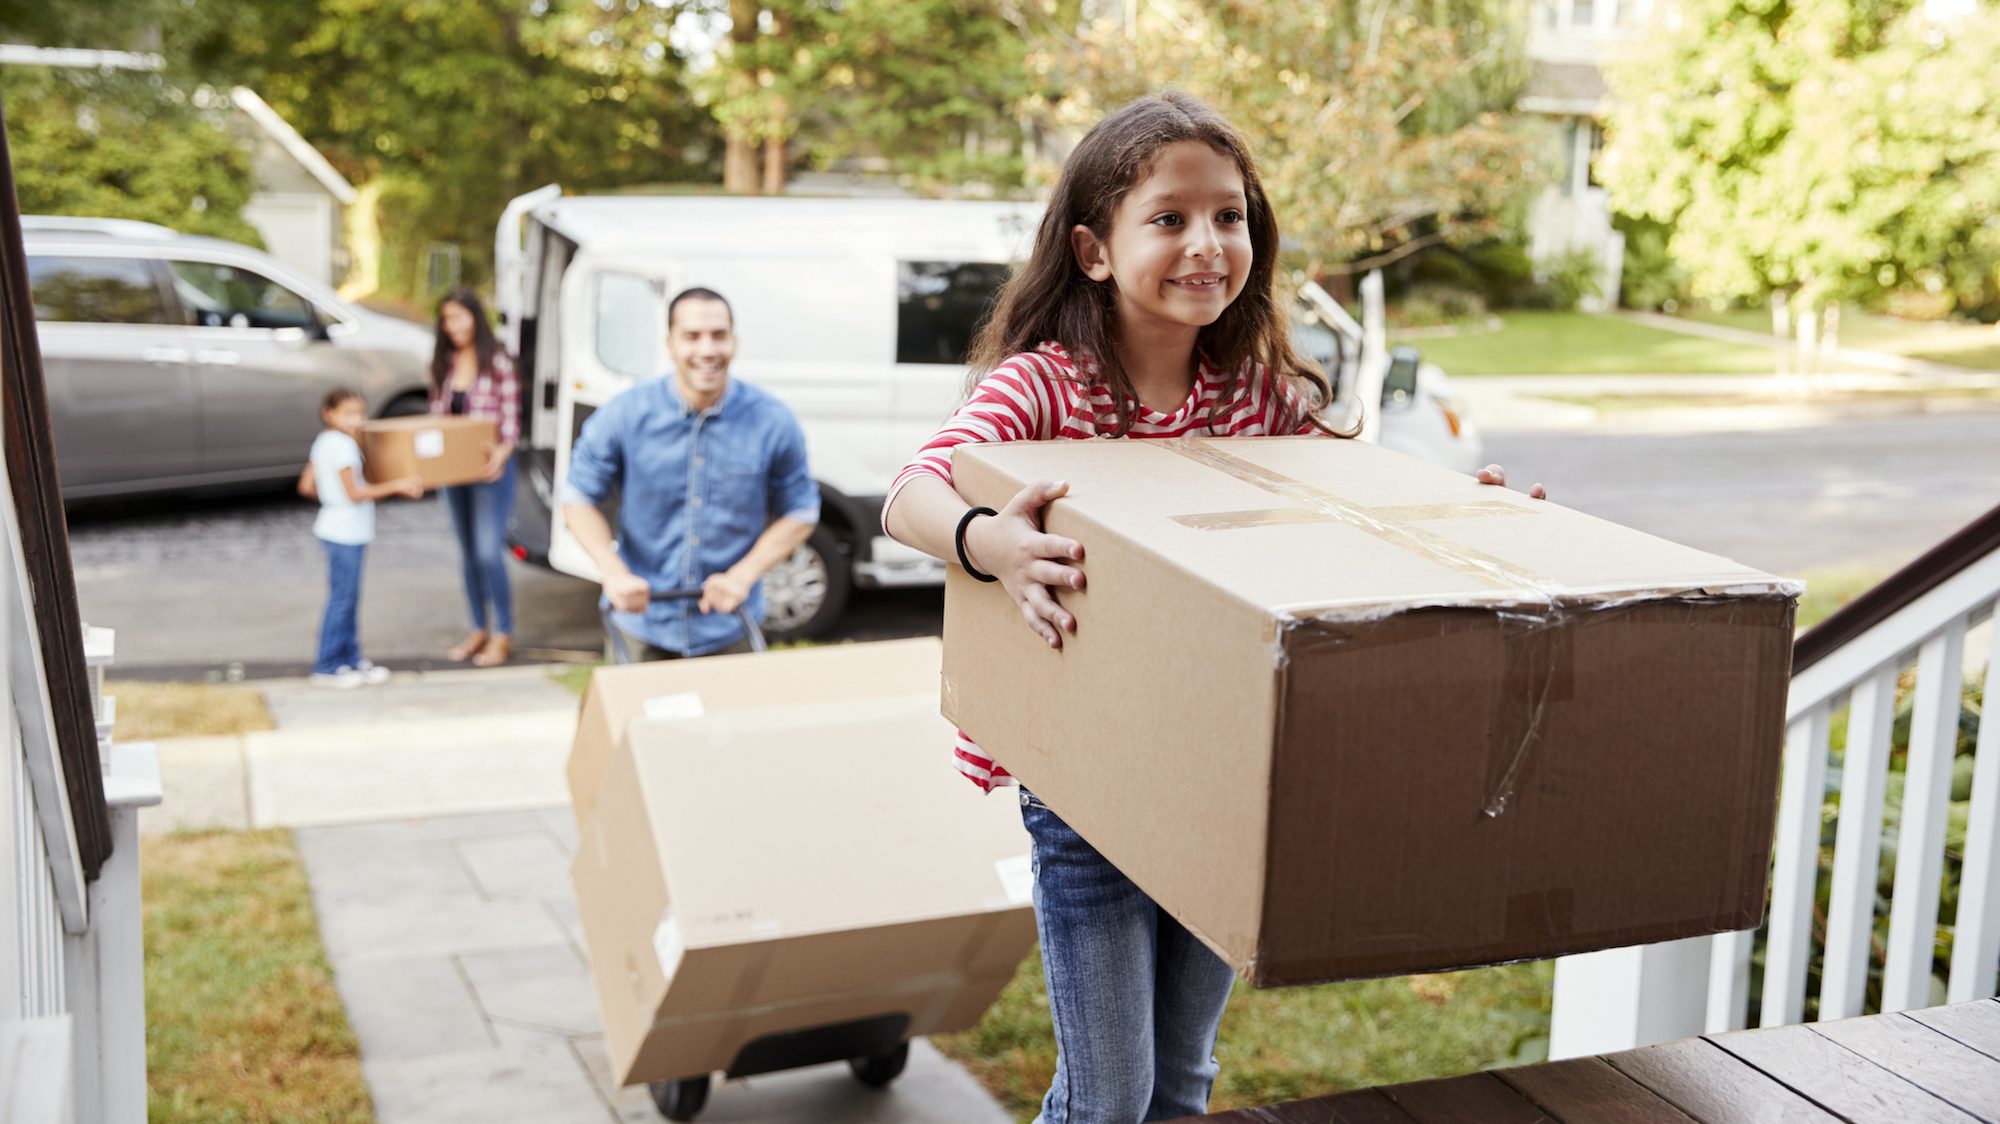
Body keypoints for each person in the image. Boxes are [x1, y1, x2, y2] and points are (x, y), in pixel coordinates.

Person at [881, 93, 1545, 1124]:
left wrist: (1466, 514)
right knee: (1109, 1095)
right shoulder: (1046, 387)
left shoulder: (1252, 395)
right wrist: (989, 542)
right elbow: (908, 492)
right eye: (1169, 218)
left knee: (1183, 1087)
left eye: (1228, 216)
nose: (1206, 242)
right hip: (1084, 782)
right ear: (1094, 251)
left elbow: (1355, 502)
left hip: (1215, 774)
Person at [561, 287, 819, 661]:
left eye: (718, 335)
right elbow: (578, 497)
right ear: (669, 343)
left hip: (731, 624)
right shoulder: (624, 414)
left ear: (735, 341)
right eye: (692, 336)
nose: (707, 350)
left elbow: (801, 511)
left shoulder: (773, 421)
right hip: (641, 626)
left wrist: (743, 576)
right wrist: (613, 571)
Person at [300, 387, 421, 689]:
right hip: (346, 532)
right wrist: (397, 485)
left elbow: (306, 486)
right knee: (343, 600)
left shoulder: (324, 442)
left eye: (360, 413)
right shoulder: (344, 447)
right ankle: (328, 665)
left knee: (347, 598)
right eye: (349, 413)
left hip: (333, 526)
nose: (356, 420)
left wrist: (330, 498)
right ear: (329, 413)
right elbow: (355, 493)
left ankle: (351, 659)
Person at [430, 287, 522, 668]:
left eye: (459, 317)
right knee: (467, 554)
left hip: (490, 471)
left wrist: (501, 452)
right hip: (454, 473)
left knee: (488, 551)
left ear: (475, 317)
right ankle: (477, 629)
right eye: (446, 319)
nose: (452, 326)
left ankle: (503, 633)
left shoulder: (498, 360)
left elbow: (512, 421)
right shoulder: (444, 363)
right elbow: (435, 420)